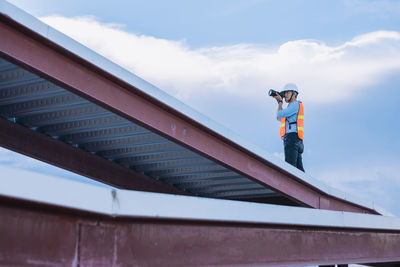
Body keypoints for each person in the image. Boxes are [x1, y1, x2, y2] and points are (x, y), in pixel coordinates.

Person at [273, 83, 305, 172]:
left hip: (292, 138)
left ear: (294, 94)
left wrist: (280, 102)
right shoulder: (291, 107)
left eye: (288, 92)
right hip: (296, 139)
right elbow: (279, 118)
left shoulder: (295, 104)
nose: (285, 95)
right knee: (299, 170)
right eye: (285, 93)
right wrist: (279, 103)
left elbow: (279, 113)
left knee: (290, 168)